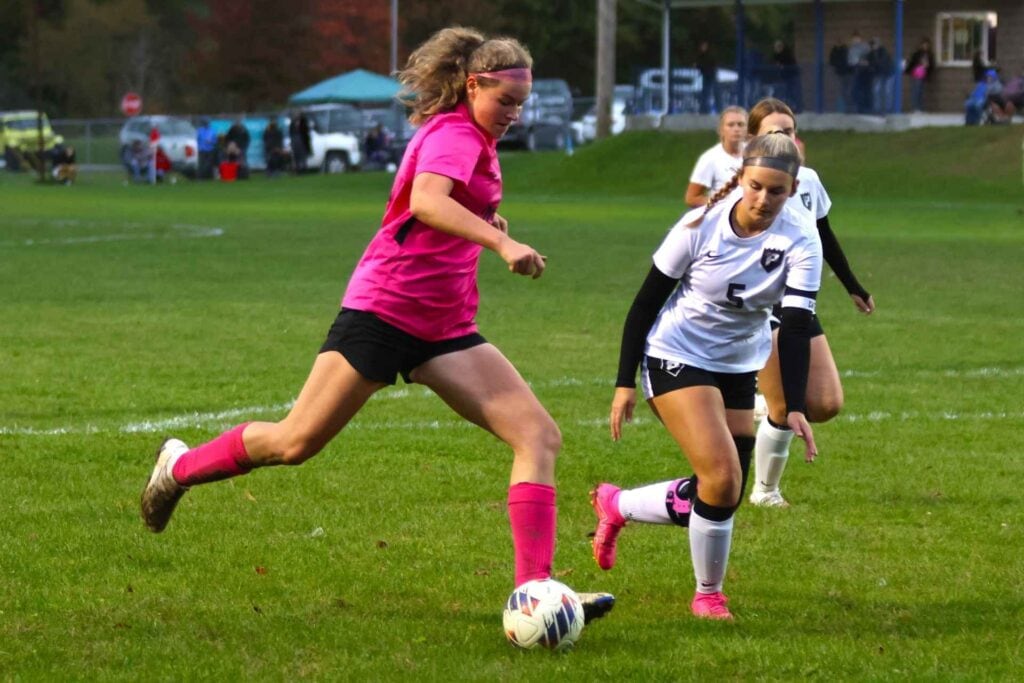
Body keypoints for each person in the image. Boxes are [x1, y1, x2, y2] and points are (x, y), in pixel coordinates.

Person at [139, 25, 614, 624]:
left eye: (522, 104)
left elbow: (451, 207)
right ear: (473, 85)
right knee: (294, 442)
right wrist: (501, 241)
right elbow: (427, 203)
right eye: (506, 101)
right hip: (384, 311)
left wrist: (489, 219)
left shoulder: (476, 140)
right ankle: (177, 468)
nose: (515, 114)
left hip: (443, 326)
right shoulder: (453, 134)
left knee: (538, 436)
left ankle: (536, 593)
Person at [592, 132, 822, 620]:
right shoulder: (700, 225)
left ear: (793, 188)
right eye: (755, 186)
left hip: (740, 363)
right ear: (740, 178)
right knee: (721, 478)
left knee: (723, 492)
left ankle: (619, 505)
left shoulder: (802, 236)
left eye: (777, 191)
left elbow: (798, 325)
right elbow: (645, 302)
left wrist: (795, 403)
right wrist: (623, 381)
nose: (763, 200)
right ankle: (708, 595)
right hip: (676, 354)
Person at [745, 98, 874, 507]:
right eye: (773, 132)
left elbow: (824, 233)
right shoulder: (746, 187)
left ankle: (757, 399)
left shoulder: (809, 182)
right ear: (755, 139)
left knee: (827, 403)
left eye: (789, 131)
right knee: (786, 405)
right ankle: (766, 492)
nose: (785, 138)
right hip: (761, 306)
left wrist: (852, 285)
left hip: (801, 303)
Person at [684, 106, 747, 208]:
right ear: (721, 130)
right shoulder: (710, 158)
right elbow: (692, 198)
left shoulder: (755, 153)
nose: (736, 129)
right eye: (731, 125)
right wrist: (723, 204)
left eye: (740, 125)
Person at [905, 38, 935, 112]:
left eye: (927, 45)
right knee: (916, 91)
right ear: (921, 45)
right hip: (916, 74)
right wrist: (908, 70)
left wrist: (928, 67)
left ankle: (920, 108)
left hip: (923, 74)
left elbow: (931, 65)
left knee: (920, 92)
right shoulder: (917, 53)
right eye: (924, 45)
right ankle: (915, 107)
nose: (925, 46)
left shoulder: (929, 54)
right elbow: (912, 62)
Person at [867, 38, 894, 115]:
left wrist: (871, 64)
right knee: (876, 91)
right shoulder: (871, 54)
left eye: (874, 44)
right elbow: (870, 65)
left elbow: (880, 62)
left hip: (888, 73)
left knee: (887, 91)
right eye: (872, 44)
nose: (873, 46)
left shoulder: (883, 51)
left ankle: (887, 110)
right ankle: (877, 110)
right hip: (878, 73)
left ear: (878, 44)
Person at [695, 40, 718, 115]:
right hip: (706, 75)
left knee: (708, 93)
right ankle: (704, 110)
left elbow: (707, 64)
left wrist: (699, 66)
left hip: (709, 75)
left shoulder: (708, 55)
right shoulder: (702, 55)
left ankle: (706, 110)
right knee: (705, 93)